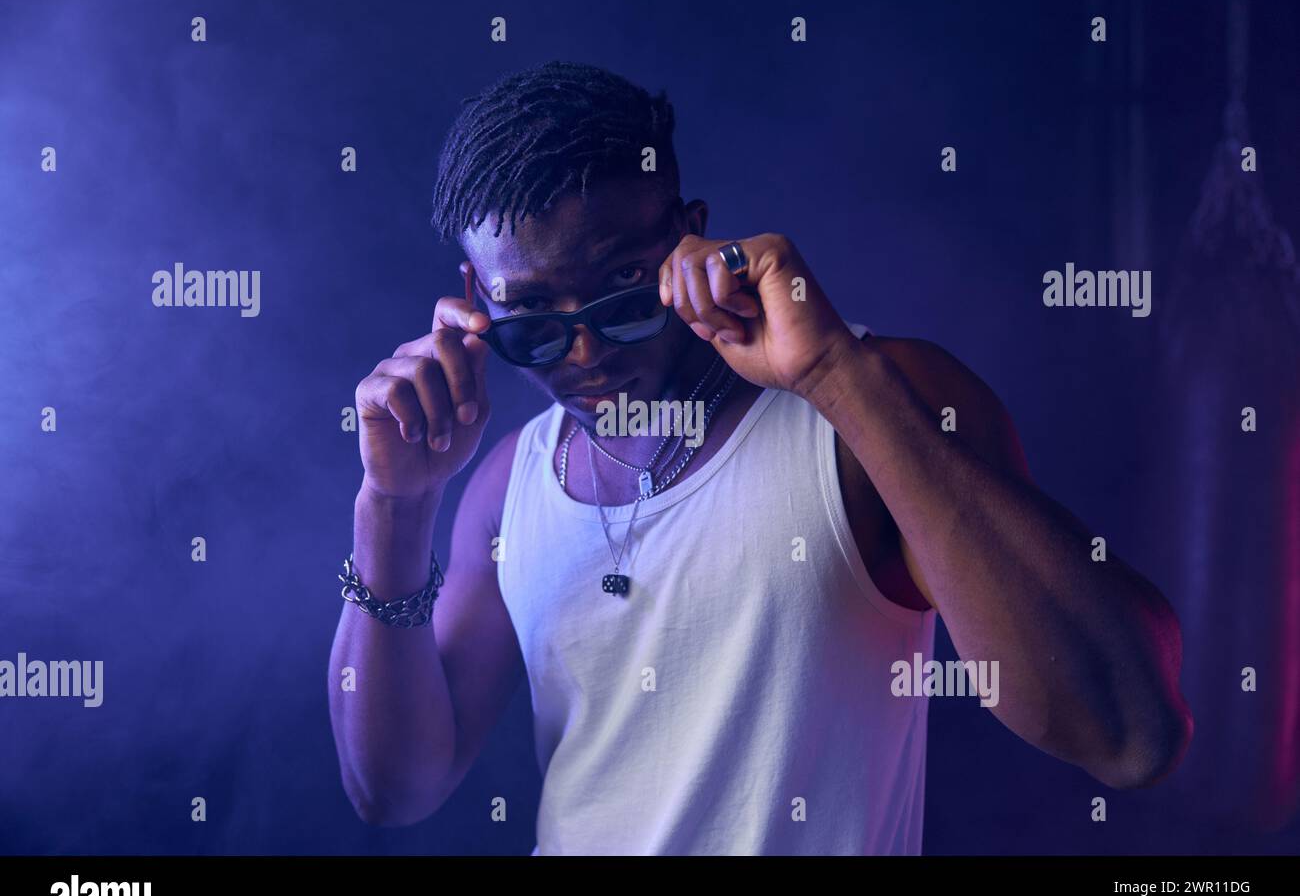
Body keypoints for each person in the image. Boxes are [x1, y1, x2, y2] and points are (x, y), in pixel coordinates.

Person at [327, 60, 1192, 855]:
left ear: (689, 237)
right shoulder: (508, 485)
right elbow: (392, 790)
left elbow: (1126, 732)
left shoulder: (870, 403)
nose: (584, 354)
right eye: (535, 321)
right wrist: (392, 509)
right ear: (477, 302)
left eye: (624, 292)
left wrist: (832, 375)